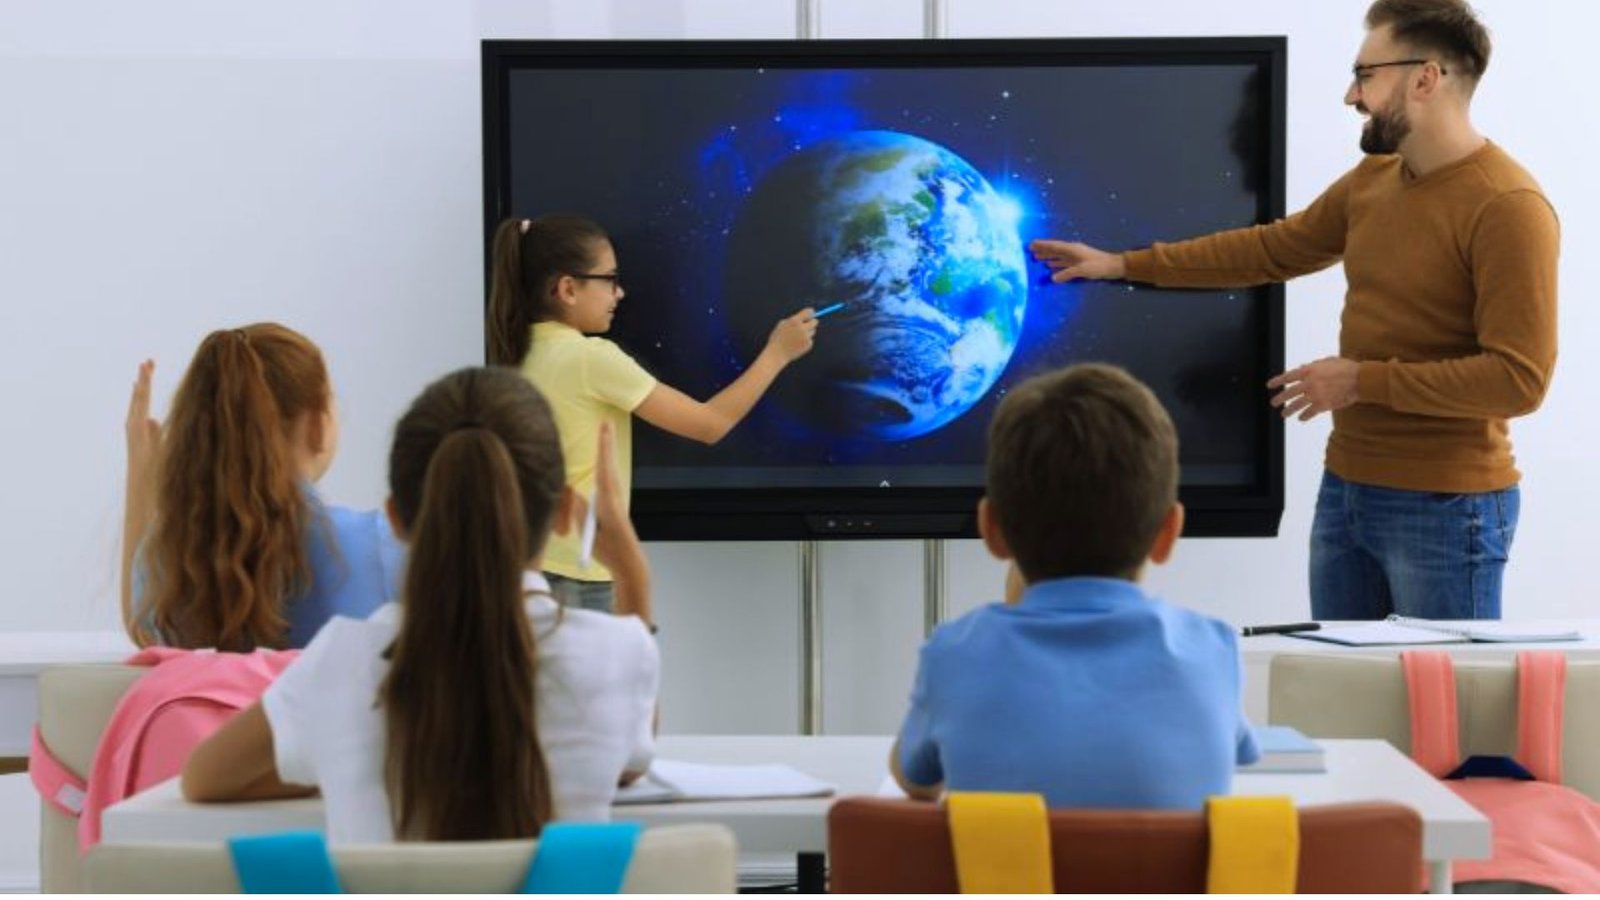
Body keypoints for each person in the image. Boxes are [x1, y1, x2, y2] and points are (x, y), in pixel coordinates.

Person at [1029, 0, 1557, 622]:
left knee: (1440, 689)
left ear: (1425, 79)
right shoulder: (1374, 179)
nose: (1351, 95)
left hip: (1449, 508)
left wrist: (1361, 382)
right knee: (1340, 683)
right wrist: (1121, 264)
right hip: (1347, 492)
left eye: (1365, 75)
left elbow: (1518, 380)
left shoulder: (1508, 207)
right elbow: (1273, 249)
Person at [181, 367, 659, 843]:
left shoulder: (343, 658)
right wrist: (633, 577)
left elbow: (205, 778)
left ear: (394, 518)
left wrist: (342, 764)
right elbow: (630, 761)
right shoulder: (616, 653)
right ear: (564, 512)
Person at [890, 364, 1258, 809]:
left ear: (991, 529)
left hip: (1011, 860)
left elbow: (916, 782)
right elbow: (1238, 756)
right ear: (1169, 532)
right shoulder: (1212, 651)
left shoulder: (954, 653)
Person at [487, 214, 817, 612]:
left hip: (525, 565)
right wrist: (777, 353)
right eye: (609, 279)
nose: (620, 293)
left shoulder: (514, 354)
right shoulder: (592, 359)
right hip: (578, 575)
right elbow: (710, 424)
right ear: (568, 289)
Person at [122, 323, 402, 651]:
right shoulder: (379, 547)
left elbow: (146, 633)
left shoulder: (164, 564)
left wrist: (140, 480)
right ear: (317, 423)